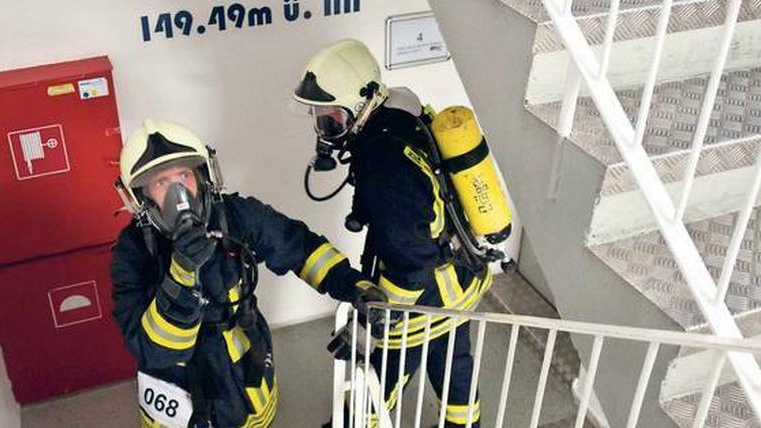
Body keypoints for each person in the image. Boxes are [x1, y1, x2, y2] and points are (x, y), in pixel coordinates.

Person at [110, 119, 384, 428]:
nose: (179, 193)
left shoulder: (235, 215)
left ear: (203, 175)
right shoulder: (132, 253)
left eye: (184, 175)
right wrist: (181, 274)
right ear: (140, 198)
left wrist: (352, 285)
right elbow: (155, 352)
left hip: (246, 379)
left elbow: (298, 246)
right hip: (184, 396)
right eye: (161, 182)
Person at [293, 39, 509, 428]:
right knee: (453, 363)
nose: (324, 129)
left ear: (363, 102)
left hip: (422, 296)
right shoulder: (398, 107)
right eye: (320, 117)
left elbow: (410, 263)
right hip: (458, 276)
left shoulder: (385, 166)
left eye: (331, 118)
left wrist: (375, 319)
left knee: (381, 372)